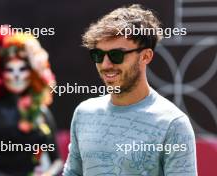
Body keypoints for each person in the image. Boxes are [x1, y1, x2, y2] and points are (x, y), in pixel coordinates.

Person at [63, 4, 197, 176]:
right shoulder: (84, 113)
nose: (105, 65)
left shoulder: (173, 124)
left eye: (116, 55)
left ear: (146, 56)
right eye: (98, 55)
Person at [0, 26, 63, 176]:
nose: (16, 76)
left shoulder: (40, 110)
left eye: (22, 69)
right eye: (10, 70)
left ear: (32, 72)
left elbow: (57, 160)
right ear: (0, 72)